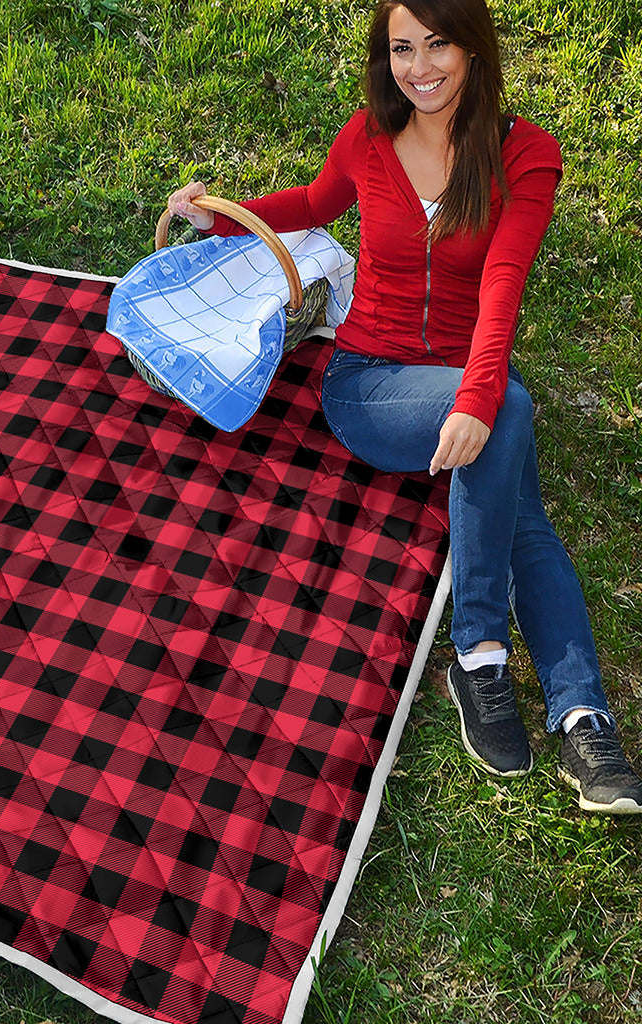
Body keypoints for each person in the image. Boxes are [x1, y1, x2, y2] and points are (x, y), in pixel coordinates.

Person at [166, 0, 642, 814]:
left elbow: (503, 284)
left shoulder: (525, 155)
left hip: (462, 377)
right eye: (401, 49)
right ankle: (485, 653)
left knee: (516, 474)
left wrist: (479, 396)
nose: (419, 67)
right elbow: (314, 205)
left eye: (438, 44)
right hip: (369, 383)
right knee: (512, 420)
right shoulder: (367, 137)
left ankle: (578, 715)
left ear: (473, 49)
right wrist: (221, 221)